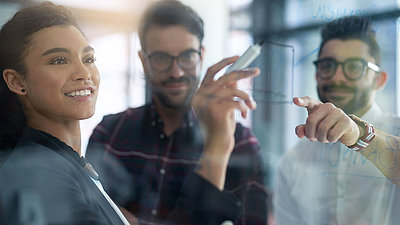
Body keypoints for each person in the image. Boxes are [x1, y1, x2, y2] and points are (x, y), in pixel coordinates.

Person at [0, 2, 259, 225]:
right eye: (59, 60)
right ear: (16, 81)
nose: (84, 73)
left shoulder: (72, 167)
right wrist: (218, 147)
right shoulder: (39, 173)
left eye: (88, 59)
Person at [86, 0, 268, 224]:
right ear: (144, 61)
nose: (176, 71)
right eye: (162, 58)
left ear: (201, 56)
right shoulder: (110, 133)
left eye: (187, 56)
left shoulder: (240, 143)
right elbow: (89, 215)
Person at [274, 16, 400, 225]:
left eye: (354, 67)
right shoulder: (293, 161)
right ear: (316, 74)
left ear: (379, 80)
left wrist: (357, 134)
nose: (337, 78)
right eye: (327, 65)